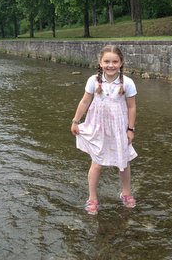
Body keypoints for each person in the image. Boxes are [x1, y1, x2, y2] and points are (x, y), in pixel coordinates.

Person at [70, 45, 138, 215]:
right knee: (97, 163)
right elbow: (85, 101)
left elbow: (131, 107)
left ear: (121, 63)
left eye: (115, 61)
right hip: (98, 127)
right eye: (106, 61)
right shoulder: (93, 80)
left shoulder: (127, 83)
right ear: (100, 63)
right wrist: (75, 121)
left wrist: (130, 129)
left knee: (123, 163)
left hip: (118, 129)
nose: (110, 65)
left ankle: (126, 193)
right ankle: (92, 198)